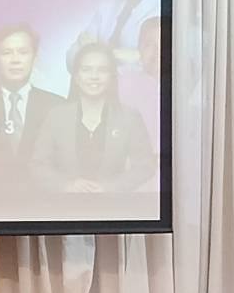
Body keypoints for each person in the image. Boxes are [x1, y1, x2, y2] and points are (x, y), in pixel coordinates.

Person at [29, 42, 156, 193]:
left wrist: (110, 188)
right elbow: (38, 165)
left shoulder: (129, 117)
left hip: (113, 205)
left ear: (111, 76)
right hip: (65, 204)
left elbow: (145, 166)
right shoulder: (56, 116)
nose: (94, 77)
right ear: (76, 77)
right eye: (86, 70)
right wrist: (66, 185)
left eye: (102, 70)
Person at [0, 23, 65, 155]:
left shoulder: (57, 106)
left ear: (35, 59)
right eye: (6, 53)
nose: (15, 60)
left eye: (23, 52)